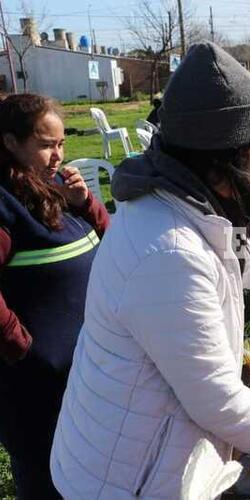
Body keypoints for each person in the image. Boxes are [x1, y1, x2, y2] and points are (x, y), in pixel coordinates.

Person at [51, 42, 250, 499]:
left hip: (138, 462)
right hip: (124, 484)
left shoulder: (182, 207)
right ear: (223, 170)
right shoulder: (169, 251)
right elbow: (219, 402)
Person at [0, 94, 109, 499]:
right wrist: (22, 347)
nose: (58, 155)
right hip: (36, 390)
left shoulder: (56, 192)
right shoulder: (5, 203)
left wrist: (86, 205)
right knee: (47, 481)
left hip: (83, 376)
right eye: (46, 145)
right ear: (11, 142)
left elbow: (112, 247)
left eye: (61, 144)